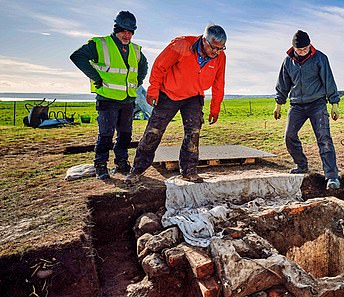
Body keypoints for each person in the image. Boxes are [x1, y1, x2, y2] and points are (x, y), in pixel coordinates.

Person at [124, 24, 227, 184]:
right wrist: (153, 90)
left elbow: (219, 83)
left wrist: (215, 107)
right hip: (169, 94)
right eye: (214, 48)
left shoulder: (220, 57)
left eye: (221, 49)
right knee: (154, 131)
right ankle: (137, 170)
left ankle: (189, 171)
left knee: (193, 134)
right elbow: (160, 66)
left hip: (194, 96)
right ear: (204, 40)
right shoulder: (181, 44)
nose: (217, 52)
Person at [70, 11, 148, 180]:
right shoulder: (101, 44)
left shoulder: (135, 49)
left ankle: (121, 163)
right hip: (107, 98)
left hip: (128, 99)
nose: (127, 35)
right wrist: (96, 77)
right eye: (124, 31)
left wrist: (138, 81)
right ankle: (100, 166)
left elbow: (143, 65)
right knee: (106, 134)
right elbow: (77, 56)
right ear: (116, 29)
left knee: (125, 134)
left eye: (130, 32)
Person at [274, 30, 341, 189]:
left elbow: (328, 80)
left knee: (324, 138)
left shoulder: (320, 58)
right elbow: (283, 84)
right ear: (294, 48)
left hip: (317, 104)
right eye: (300, 50)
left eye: (305, 48)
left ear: (310, 45)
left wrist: (334, 103)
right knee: (289, 135)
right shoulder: (288, 62)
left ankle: (332, 176)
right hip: (296, 105)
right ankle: (301, 164)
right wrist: (279, 103)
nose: (303, 52)